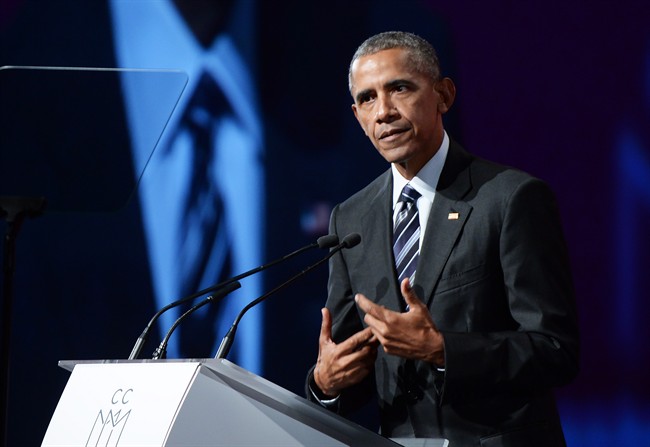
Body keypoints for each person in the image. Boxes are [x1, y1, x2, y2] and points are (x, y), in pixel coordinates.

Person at [306, 31, 580, 446]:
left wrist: (442, 350)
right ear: (358, 117)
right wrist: (326, 383)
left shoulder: (510, 198)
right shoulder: (350, 218)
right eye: (367, 99)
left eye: (399, 88)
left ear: (444, 95)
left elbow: (556, 350)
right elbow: (360, 364)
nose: (383, 112)